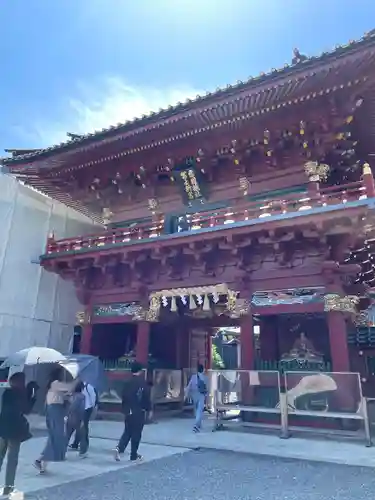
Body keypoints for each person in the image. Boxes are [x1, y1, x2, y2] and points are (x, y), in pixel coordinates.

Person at [34, 367, 79, 474]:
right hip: (54, 411)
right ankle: (40, 460)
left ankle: (42, 464)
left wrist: (68, 397)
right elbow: (69, 387)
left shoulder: (56, 386)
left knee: (54, 436)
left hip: (57, 411)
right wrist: (77, 379)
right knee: (57, 436)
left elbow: (67, 395)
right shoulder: (55, 383)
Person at [0, 372, 34, 497]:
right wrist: (30, 394)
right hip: (14, 430)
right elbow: (26, 410)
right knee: (12, 460)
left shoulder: (7, 393)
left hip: (3, 428)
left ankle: (8, 486)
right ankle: (8, 486)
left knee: (1, 456)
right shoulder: (21, 394)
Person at [114, 362, 151, 462]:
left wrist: (125, 409)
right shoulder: (142, 383)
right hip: (138, 411)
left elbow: (123, 396)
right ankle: (133, 454)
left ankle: (119, 448)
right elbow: (146, 396)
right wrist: (149, 409)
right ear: (140, 370)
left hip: (128, 411)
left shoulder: (127, 382)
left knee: (127, 431)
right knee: (137, 433)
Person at [69, 382, 97, 456]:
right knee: (78, 427)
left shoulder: (89, 386)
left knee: (83, 427)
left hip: (86, 408)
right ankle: (77, 443)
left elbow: (93, 397)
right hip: (80, 408)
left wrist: (92, 407)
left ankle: (83, 445)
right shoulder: (78, 384)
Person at [185, 364, 208, 433]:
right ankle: (196, 425)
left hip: (194, 394)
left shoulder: (193, 377)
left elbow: (189, 386)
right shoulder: (205, 378)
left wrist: (186, 395)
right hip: (201, 395)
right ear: (203, 369)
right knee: (199, 411)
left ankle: (199, 424)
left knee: (196, 409)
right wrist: (207, 396)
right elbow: (207, 388)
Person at [65, 382, 86, 457]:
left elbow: (68, 407)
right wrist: (82, 419)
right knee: (82, 435)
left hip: (70, 417)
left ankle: (61, 452)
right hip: (77, 418)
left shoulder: (71, 396)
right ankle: (83, 452)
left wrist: (67, 414)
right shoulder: (82, 397)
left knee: (67, 435)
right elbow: (81, 409)